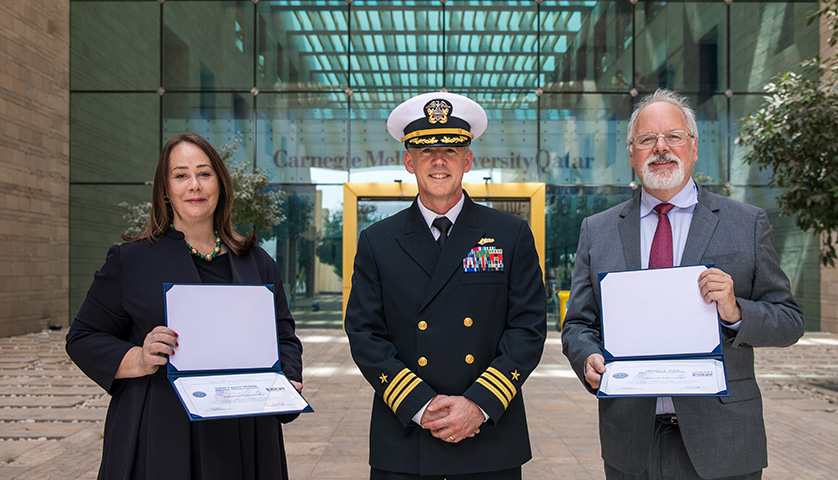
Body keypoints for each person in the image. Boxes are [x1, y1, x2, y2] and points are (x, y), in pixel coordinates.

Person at [560, 89, 804, 480]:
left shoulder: (746, 222)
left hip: (724, 441)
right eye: (647, 140)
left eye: (673, 136)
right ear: (632, 155)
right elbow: (577, 325)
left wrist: (736, 311)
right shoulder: (598, 230)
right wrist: (586, 357)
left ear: (693, 148)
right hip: (631, 442)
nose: (661, 148)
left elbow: (790, 321)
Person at [66, 133, 304, 479]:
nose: (194, 185)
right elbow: (83, 337)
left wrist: (288, 379)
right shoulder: (129, 261)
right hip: (161, 432)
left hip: (245, 432)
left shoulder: (257, 262)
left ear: (220, 185)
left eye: (204, 174)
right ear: (166, 190)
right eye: (181, 175)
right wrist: (139, 358)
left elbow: (284, 337)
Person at [344, 92, 547, 480]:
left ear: (467, 160)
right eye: (425, 150)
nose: (439, 160)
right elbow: (365, 333)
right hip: (405, 437)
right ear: (409, 161)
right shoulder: (377, 240)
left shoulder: (510, 234)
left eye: (451, 149)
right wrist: (422, 406)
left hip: (488, 436)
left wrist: (478, 404)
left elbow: (529, 327)